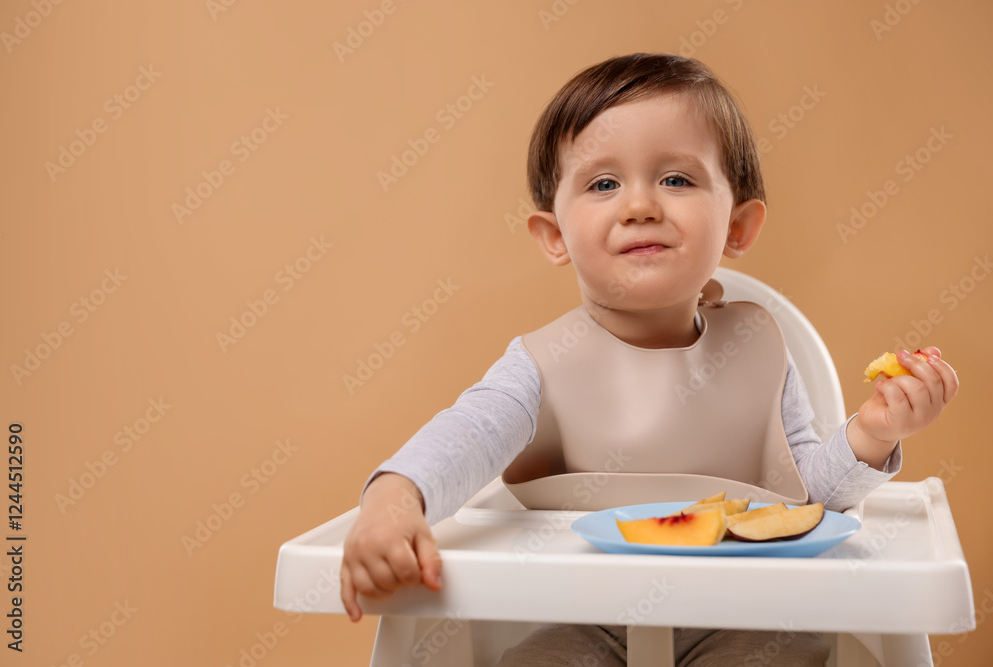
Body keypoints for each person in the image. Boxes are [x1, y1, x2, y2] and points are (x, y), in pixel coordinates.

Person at [339, 53, 959, 665]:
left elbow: (802, 501)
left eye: (677, 180)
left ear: (738, 227)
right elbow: (467, 435)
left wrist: (873, 434)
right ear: (555, 236)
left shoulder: (758, 349)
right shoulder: (542, 365)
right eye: (603, 184)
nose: (639, 205)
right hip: (584, 622)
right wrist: (394, 500)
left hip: (747, 617)